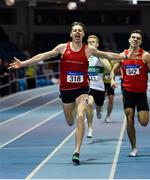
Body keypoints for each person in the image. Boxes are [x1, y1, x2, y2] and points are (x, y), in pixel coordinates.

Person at [8, 21, 137, 165]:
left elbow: (107, 55)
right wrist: (23, 64)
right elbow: (43, 56)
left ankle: (76, 152)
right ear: (71, 34)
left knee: (80, 116)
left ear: (82, 34)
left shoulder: (89, 50)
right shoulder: (63, 48)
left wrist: (125, 57)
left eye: (79, 31)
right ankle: (70, 109)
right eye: (74, 30)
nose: (77, 32)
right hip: (66, 90)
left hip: (82, 89)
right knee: (70, 121)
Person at [110, 29, 150, 157]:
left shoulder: (145, 56)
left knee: (143, 122)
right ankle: (134, 148)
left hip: (141, 93)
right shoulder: (123, 55)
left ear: (141, 41)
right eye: (133, 37)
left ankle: (141, 113)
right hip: (127, 92)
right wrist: (111, 79)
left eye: (138, 38)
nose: (135, 40)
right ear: (129, 39)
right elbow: (113, 70)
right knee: (129, 118)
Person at [86, 35, 111, 138]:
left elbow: (109, 68)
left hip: (99, 87)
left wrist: (98, 55)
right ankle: (90, 128)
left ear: (97, 44)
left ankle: (99, 110)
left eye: (93, 42)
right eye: (89, 42)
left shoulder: (101, 55)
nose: (91, 44)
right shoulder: (84, 55)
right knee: (89, 104)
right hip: (88, 87)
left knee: (99, 106)